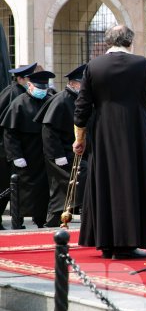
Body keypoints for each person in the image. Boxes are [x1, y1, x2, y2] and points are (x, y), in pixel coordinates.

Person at [73, 25, 146, 259]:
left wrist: (79, 137)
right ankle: (127, 244)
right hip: (134, 128)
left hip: (103, 130)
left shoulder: (93, 66)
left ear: (107, 40)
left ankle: (107, 242)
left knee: (106, 181)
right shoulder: (142, 64)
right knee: (132, 180)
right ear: (130, 41)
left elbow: (82, 105)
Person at [34, 64, 87, 227]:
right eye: (82, 83)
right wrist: (58, 155)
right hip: (60, 153)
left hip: (73, 151)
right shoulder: (62, 99)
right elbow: (49, 131)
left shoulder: (79, 100)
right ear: (73, 83)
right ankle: (56, 218)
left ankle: (63, 216)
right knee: (75, 178)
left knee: (69, 185)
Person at [1, 70, 54, 228]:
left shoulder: (50, 100)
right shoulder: (19, 102)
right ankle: (18, 221)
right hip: (25, 153)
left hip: (43, 154)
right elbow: (10, 133)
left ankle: (41, 219)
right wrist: (16, 155)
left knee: (44, 190)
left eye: (44, 88)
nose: (41, 91)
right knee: (21, 190)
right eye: (38, 87)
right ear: (30, 85)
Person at [0, 63, 36, 228]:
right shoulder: (16, 93)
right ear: (21, 78)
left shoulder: (12, 90)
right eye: (29, 78)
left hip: (5, 148)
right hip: (5, 149)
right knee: (7, 186)